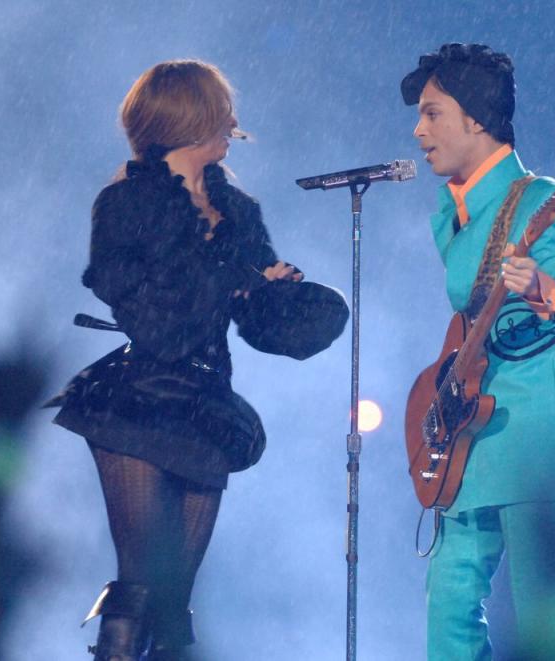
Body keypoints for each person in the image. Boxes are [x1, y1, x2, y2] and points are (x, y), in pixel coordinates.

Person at [47, 60, 348, 660]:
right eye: (220, 109)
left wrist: (283, 296)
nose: (234, 122)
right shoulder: (126, 203)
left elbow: (258, 325)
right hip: (136, 402)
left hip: (206, 407)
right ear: (187, 117)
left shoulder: (238, 210)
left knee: (173, 602)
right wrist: (231, 275)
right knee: (138, 585)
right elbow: (155, 321)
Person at [401, 43, 555, 660]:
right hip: (468, 426)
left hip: (530, 423)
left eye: (433, 113)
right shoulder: (454, 209)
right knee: (450, 597)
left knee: (543, 605)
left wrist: (545, 289)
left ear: (476, 118)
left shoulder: (541, 201)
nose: (419, 129)